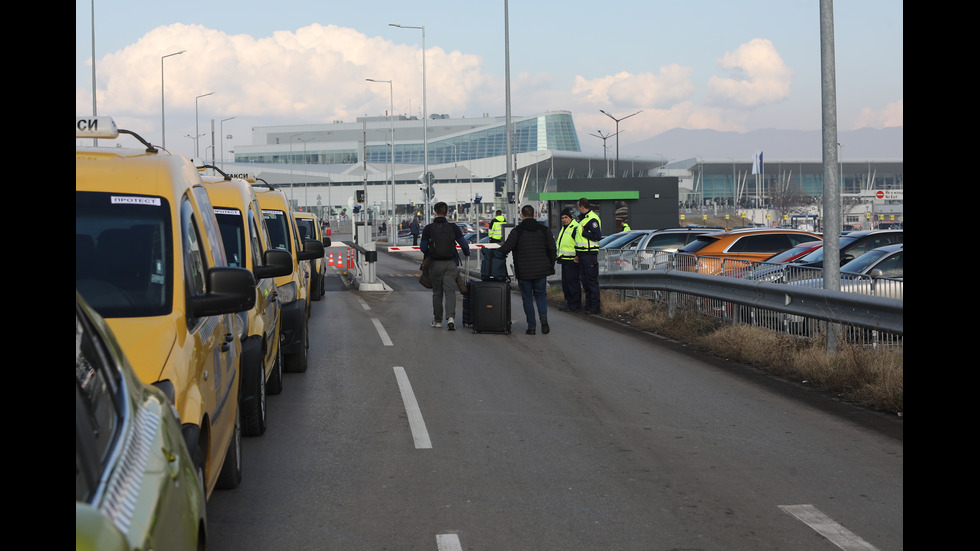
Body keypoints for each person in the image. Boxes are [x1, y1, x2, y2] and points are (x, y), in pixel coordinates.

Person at [496, 205, 557, 335]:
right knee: (541, 295)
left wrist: (494, 254)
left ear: (522, 215)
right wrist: (550, 265)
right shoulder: (544, 230)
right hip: (541, 270)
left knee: (527, 298)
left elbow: (506, 248)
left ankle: (532, 327)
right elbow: (552, 249)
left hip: (524, 272)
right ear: (534, 214)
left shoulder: (517, 231)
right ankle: (543, 317)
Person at [419, 202, 470, 331]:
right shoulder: (453, 227)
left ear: (435, 213)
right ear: (447, 213)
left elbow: (423, 248)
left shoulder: (428, 228)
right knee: (450, 291)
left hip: (435, 264)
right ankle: (451, 319)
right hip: (451, 263)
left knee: (437, 293)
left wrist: (431, 250)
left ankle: (437, 321)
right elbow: (464, 244)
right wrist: (466, 253)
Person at [575, 197, 602, 314]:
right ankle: (588, 305)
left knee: (591, 281)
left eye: (578, 206)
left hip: (589, 254)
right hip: (582, 254)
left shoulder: (592, 219)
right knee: (585, 281)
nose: (577, 208)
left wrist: (584, 232)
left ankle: (595, 307)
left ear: (582, 206)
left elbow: (597, 236)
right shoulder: (583, 219)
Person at [556, 208, 582, 312]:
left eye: (566, 217)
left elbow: (579, 243)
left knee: (572, 283)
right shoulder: (565, 228)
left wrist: (577, 256)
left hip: (572, 260)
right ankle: (570, 302)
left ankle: (575, 304)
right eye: (562, 218)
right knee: (566, 283)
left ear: (570, 218)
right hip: (564, 259)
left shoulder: (575, 227)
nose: (564, 219)